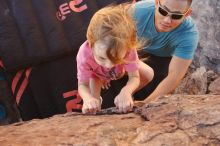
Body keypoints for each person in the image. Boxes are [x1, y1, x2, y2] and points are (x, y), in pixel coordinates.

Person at [76, 4, 154, 114]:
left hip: (121, 70)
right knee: (93, 107)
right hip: (97, 75)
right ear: (91, 44)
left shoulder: (128, 49)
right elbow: (82, 85)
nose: (109, 65)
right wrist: (88, 99)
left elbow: (134, 77)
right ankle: (98, 99)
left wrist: (126, 91)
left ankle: (124, 97)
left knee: (148, 74)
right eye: (102, 58)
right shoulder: (84, 54)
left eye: (116, 58)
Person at [130, 0, 199, 103]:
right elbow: (110, 38)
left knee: (149, 96)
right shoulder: (138, 11)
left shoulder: (189, 34)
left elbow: (174, 76)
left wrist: (144, 104)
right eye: (163, 11)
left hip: (161, 60)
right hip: (131, 51)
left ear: (187, 14)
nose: (167, 20)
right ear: (157, 3)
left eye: (176, 16)